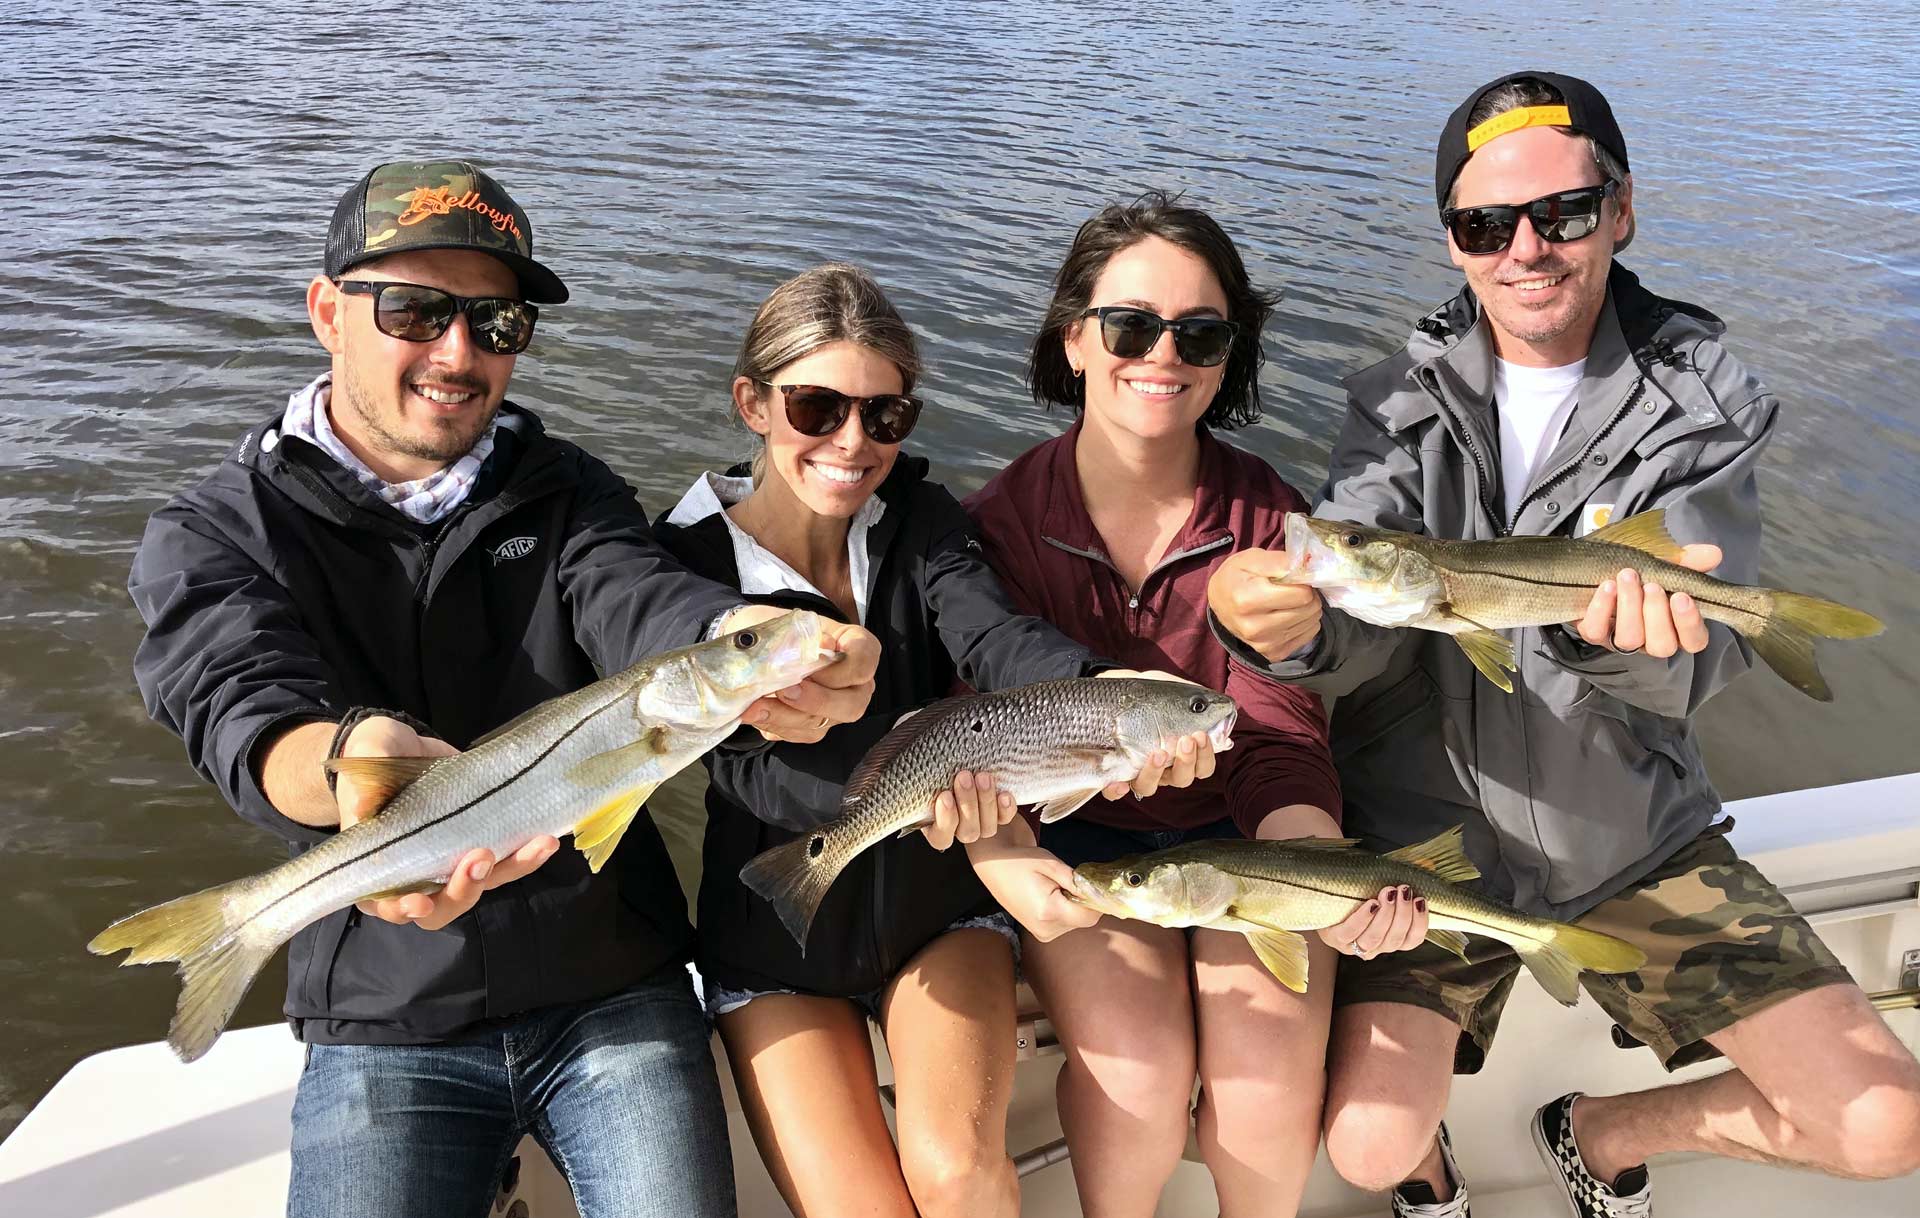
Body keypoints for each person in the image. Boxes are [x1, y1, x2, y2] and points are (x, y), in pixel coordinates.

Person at [1207, 74, 1920, 1217]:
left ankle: (1603, 1130)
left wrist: (1622, 648)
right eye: (1487, 224)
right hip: (1432, 849)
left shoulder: (1706, 403)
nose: (1526, 248)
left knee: (1887, 1124)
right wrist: (1285, 634)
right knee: (1371, 1145)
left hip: (1637, 841)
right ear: (1453, 241)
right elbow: (1370, 622)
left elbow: (1691, 672)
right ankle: (1436, 1155)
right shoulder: (1393, 403)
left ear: (1620, 210)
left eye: (1564, 214)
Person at [125, 160, 883, 1218]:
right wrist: (350, 765)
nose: (458, 352)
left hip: (613, 986)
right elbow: (233, 699)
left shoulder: (568, 489)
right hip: (382, 1012)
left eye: (496, 322)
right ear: (325, 313)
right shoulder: (215, 531)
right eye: (417, 311)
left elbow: (637, 596)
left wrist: (739, 637)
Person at [653, 262, 1216, 1218]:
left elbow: (995, 637)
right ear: (753, 402)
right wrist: (912, 790)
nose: (852, 442)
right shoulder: (676, 570)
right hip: (775, 932)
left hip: (937, 910)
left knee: (958, 1176)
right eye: (817, 407)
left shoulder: (922, 520)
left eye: (885, 415)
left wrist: (1102, 695)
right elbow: (746, 769)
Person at [962, 193, 1393, 1218]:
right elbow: (973, 729)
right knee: (1140, 1080)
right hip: (1078, 842)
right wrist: (1002, 853)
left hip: (1246, 831)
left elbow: (1281, 721)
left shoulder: (1271, 519)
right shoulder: (994, 525)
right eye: (1129, 325)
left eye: (1199, 332)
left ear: (1227, 355)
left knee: (1264, 1088)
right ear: (1074, 339)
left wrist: (1312, 869)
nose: (1163, 353)